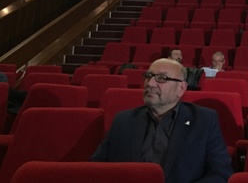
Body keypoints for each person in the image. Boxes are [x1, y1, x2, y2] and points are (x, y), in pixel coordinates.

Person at [91, 58, 233, 183]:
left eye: (162, 78)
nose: (150, 83)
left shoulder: (203, 120)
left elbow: (221, 173)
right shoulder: (123, 120)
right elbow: (97, 168)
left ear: (181, 88)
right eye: (148, 76)